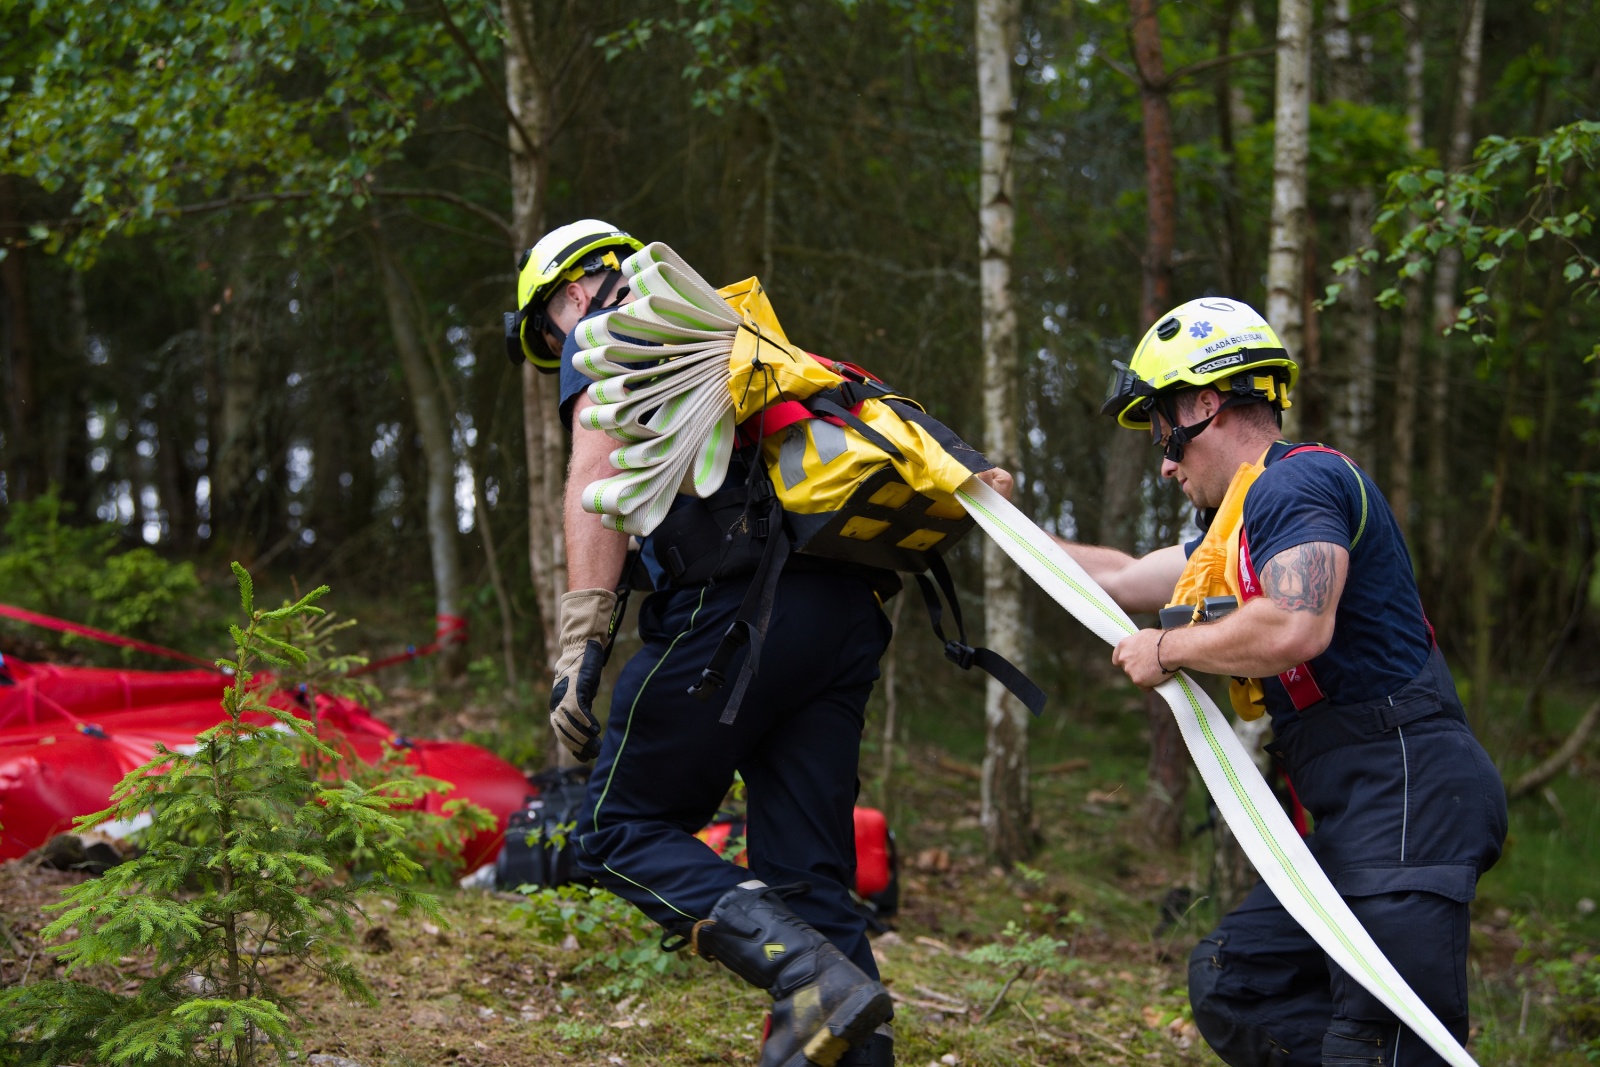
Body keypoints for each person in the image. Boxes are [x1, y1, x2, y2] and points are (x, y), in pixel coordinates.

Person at [507, 219, 1012, 1067]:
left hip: (734, 610)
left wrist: (581, 646)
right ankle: (835, 1003)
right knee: (808, 875)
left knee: (614, 823)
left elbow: (597, 476)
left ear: (567, 294)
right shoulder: (732, 330)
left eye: (550, 332)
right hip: (843, 610)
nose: (560, 347)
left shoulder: (610, 321)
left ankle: (803, 971)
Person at [1054, 297, 1507, 1067]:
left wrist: (1167, 649)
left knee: (1377, 1042)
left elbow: (1297, 625)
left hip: (1407, 796)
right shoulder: (1233, 532)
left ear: (1205, 403)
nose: (1164, 460)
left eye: (1163, 427)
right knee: (1236, 982)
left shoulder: (1297, 487)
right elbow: (1124, 575)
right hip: (1352, 810)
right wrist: (976, 509)